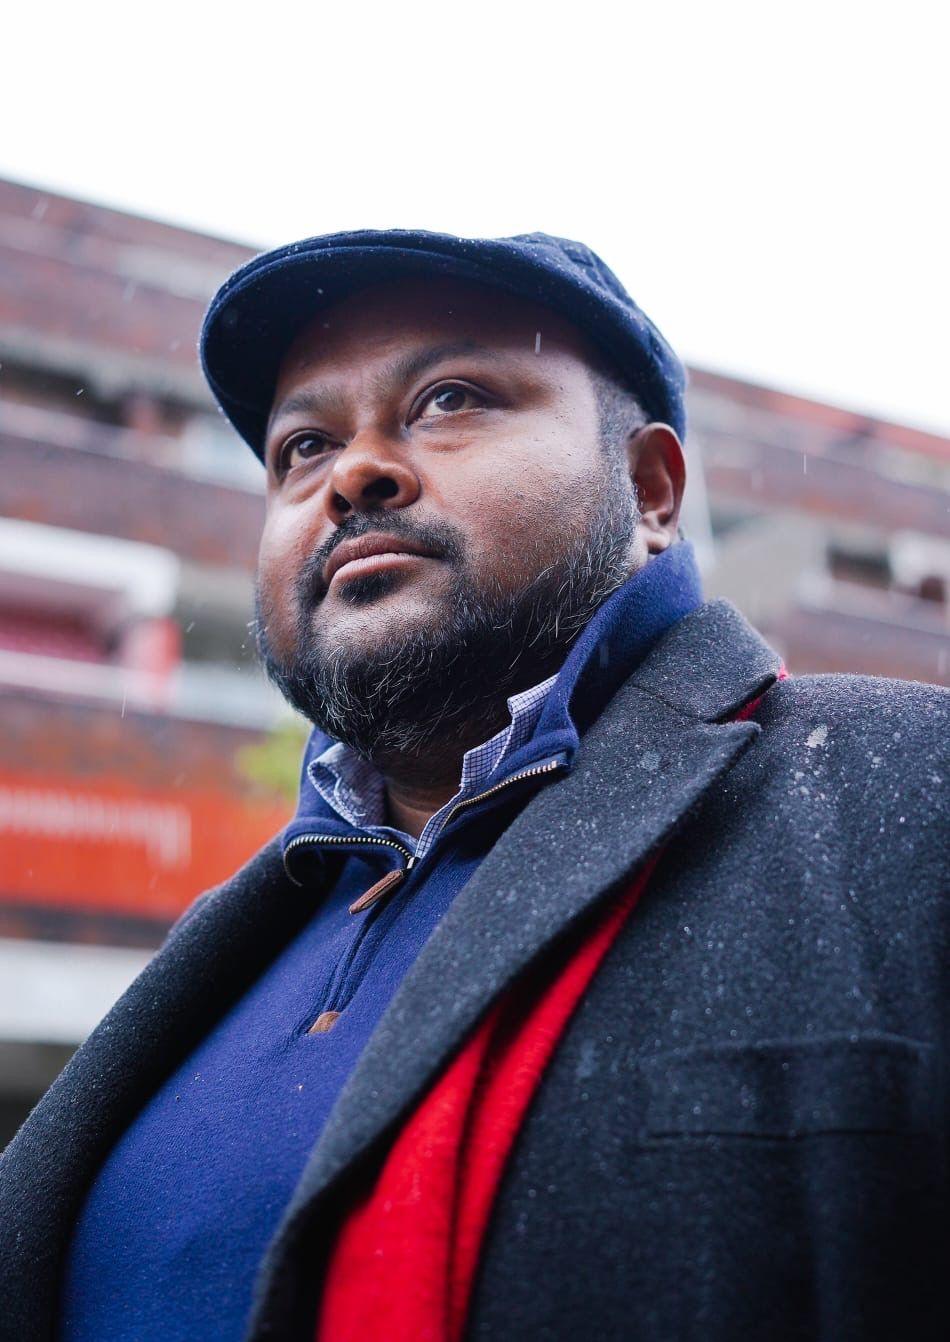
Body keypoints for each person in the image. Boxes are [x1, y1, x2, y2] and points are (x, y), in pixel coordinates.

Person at [1, 230, 946, 1342]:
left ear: (648, 489)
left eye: (449, 399)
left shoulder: (908, 797)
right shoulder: (233, 939)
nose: (350, 473)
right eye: (300, 446)